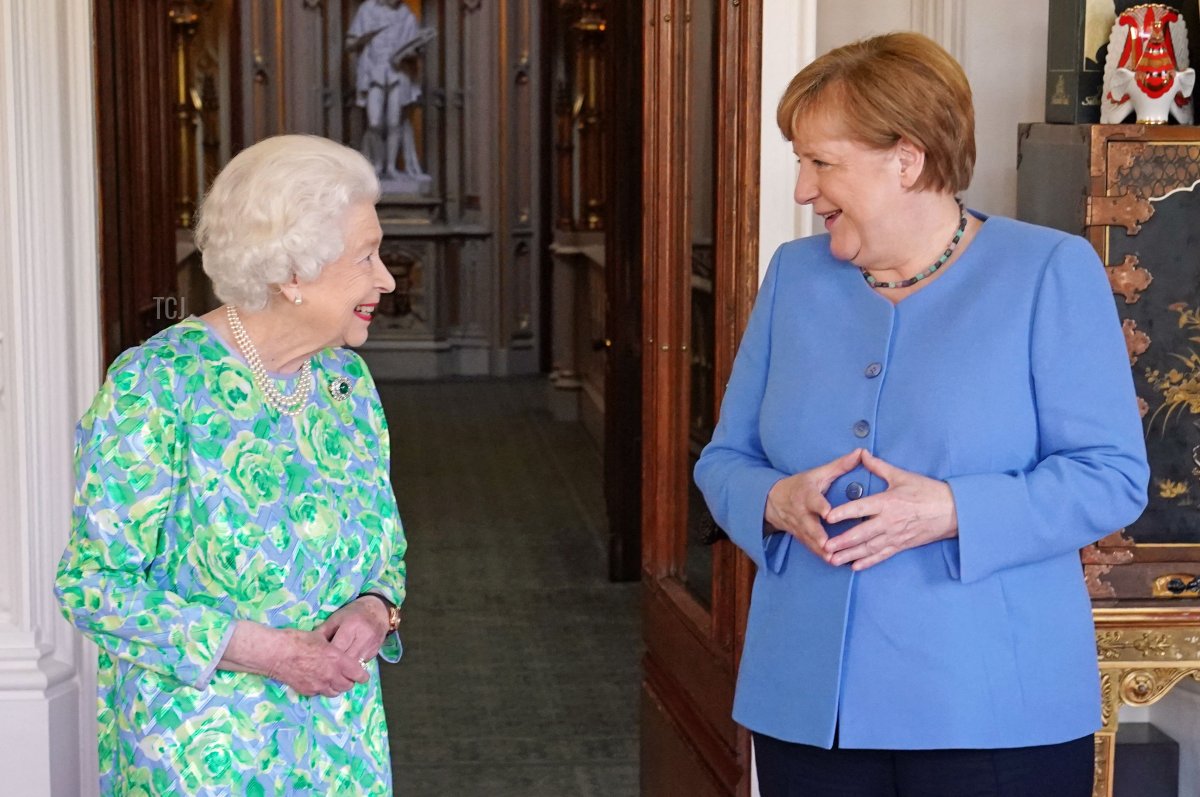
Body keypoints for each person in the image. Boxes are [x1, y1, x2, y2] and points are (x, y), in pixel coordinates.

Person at [694, 33, 1148, 797]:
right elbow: (724, 458)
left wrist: (952, 508)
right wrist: (772, 500)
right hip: (809, 705)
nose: (803, 189)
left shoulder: (1047, 272)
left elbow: (1111, 477)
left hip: (996, 710)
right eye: (798, 160)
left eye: (821, 162)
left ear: (907, 159)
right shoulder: (794, 278)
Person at [55, 134, 406, 796]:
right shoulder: (158, 385)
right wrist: (273, 653)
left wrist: (374, 605)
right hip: (201, 755)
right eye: (366, 257)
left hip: (339, 747)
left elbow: (385, 550)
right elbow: (93, 585)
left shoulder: (346, 383)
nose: (385, 278)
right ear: (292, 273)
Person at [345, 0, 434, 186]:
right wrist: (363, 39)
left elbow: (417, 48)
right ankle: (377, 165)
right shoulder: (367, 9)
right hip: (373, 71)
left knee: (395, 122)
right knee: (375, 122)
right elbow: (350, 44)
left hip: (398, 73)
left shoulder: (405, 14)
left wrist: (409, 52)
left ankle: (391, 167)